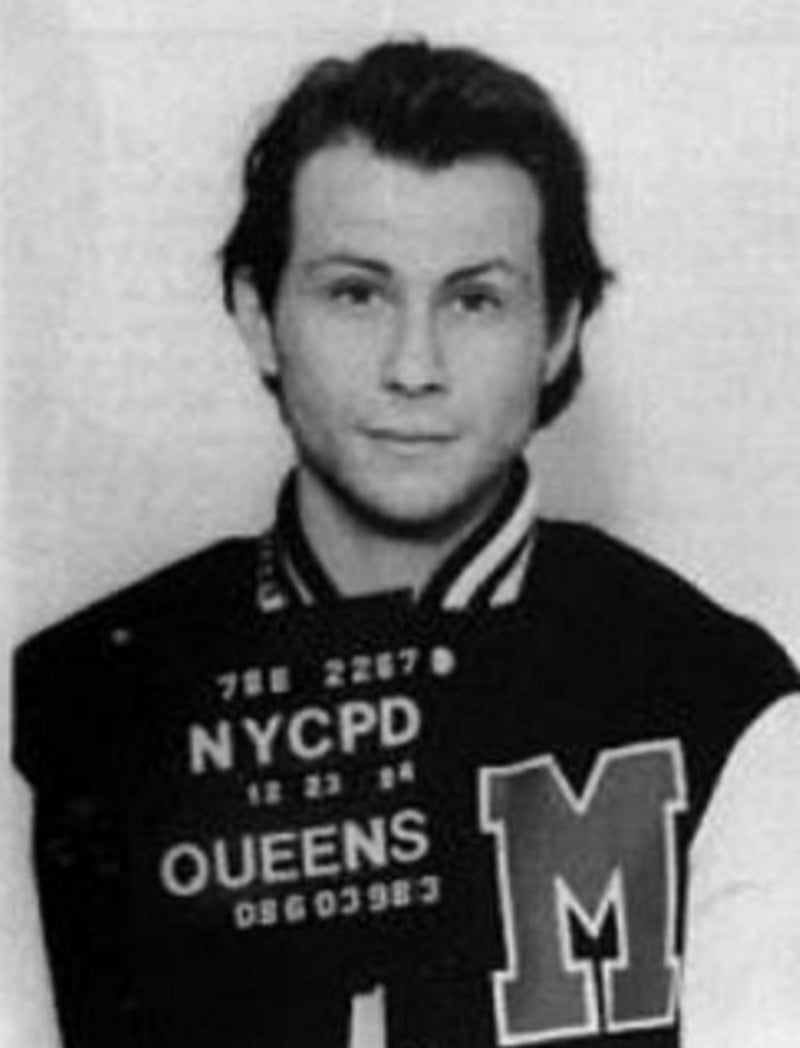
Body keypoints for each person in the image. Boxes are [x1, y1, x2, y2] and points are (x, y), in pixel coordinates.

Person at [13, 37, 800, 1048]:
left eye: (474, 300)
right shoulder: (65, 712)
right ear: (258, 315)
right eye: (355, 292)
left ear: (557, 329)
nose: (413, 366)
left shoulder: (723, 703)